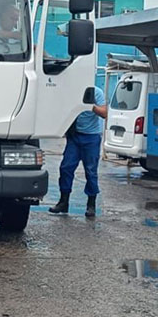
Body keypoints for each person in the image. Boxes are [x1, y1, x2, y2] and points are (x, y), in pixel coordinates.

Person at [49, 86, 108, 218]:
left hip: (91, 137)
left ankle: (91, 205)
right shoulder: (72, 90)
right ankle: (63, 202)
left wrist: (89, 106)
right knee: (66, 168)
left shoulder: (96, 92)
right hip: (75, 136)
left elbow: (104, 113)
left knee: (91, 171)